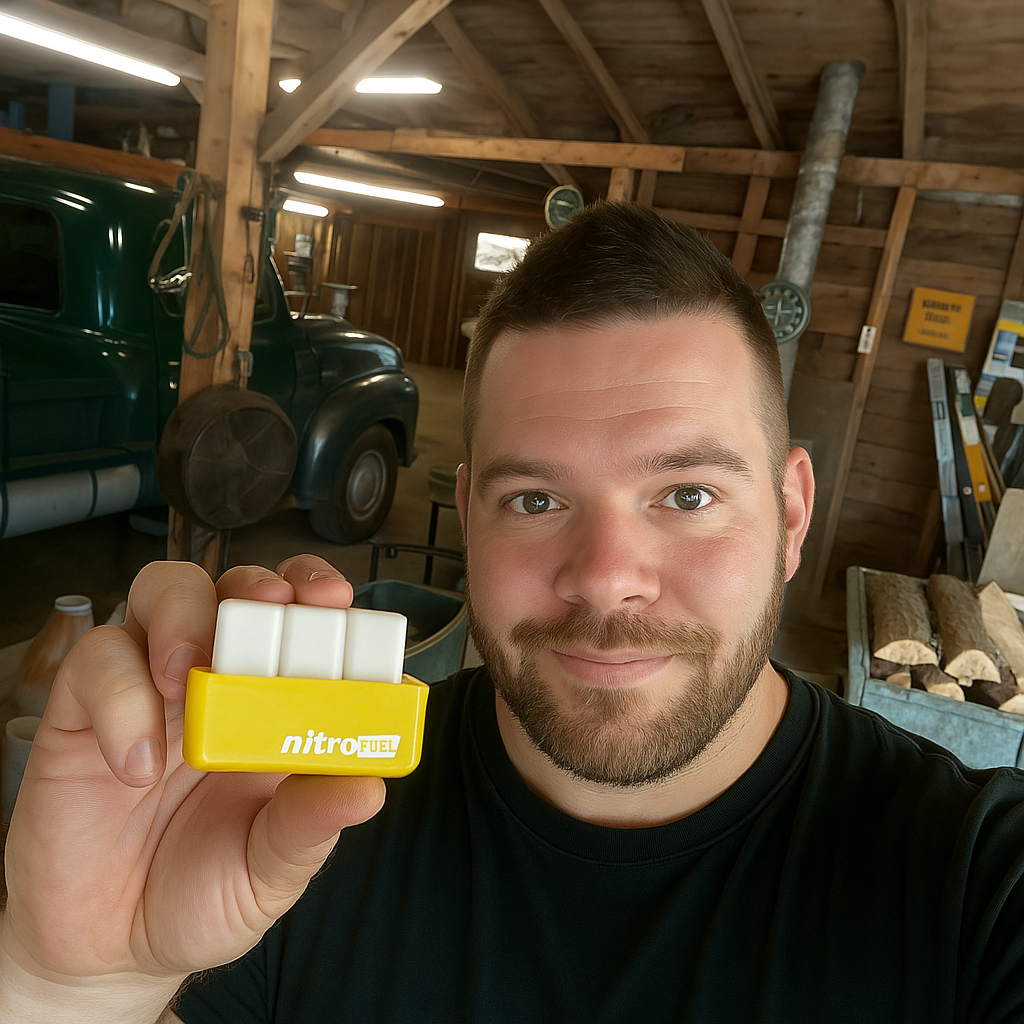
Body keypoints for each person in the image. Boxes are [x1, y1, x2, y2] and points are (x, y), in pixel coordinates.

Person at [3, 202, 1024, 1023]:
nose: (605, 578)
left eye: (686, 494)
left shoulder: (978, 882)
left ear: (791, 514)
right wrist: (76, 984)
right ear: (468, 518)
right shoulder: (290, 816)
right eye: (535, 500)